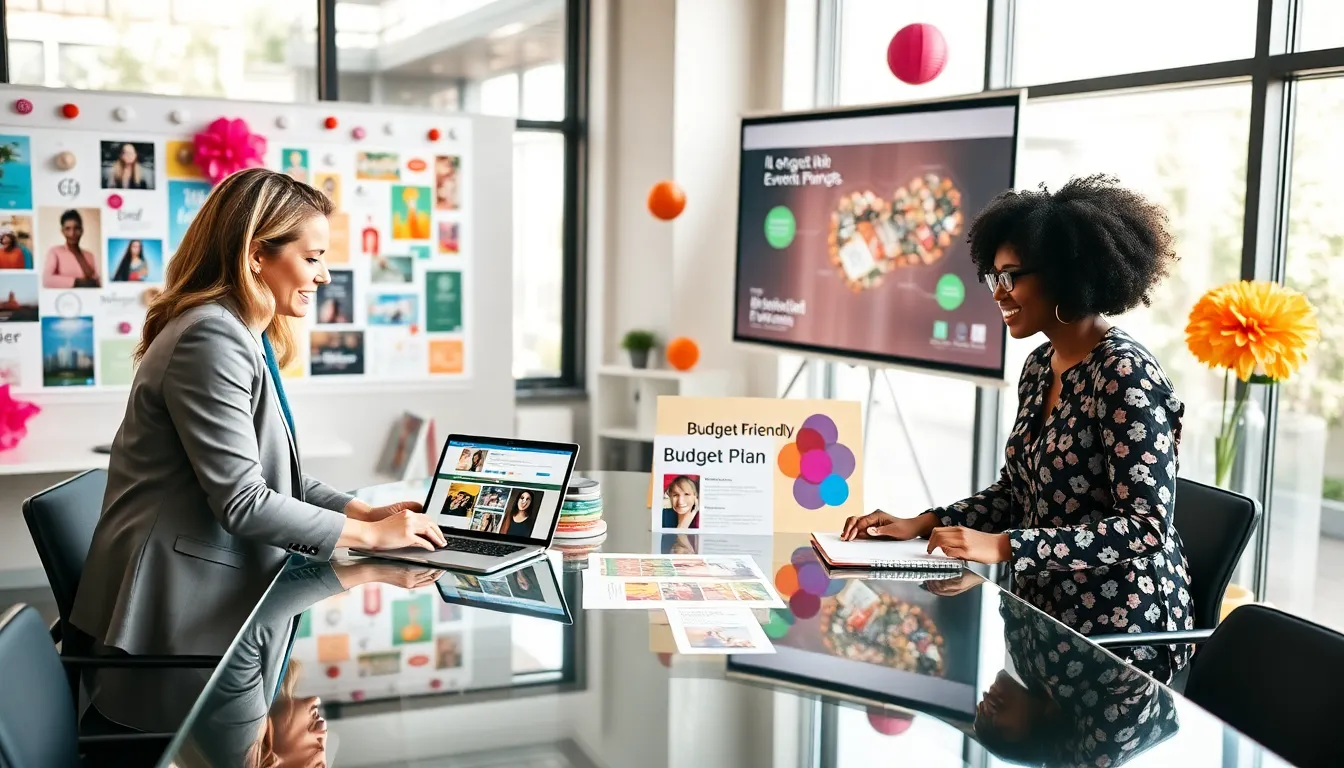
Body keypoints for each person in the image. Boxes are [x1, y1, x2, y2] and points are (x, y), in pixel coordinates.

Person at [70, 168, 447, 733]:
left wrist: (364, 513)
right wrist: (370, 541)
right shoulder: (211, 337)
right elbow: (243, 502)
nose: (323, 276)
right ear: (255, 256)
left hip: (211, 597)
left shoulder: (238, 331)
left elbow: (276, 478)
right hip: (182, 625)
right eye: (313, 256)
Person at [841, 174, 1194, 683]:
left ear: (1065, 274)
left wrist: (1005, 548)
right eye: (994, 277)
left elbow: (1146, 527)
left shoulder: (1124, 373)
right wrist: (926, 522)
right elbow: (1018, 491)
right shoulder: (1039, 365)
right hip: (1041, 615)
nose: (998, 292)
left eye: (1012, 276)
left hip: (1121, 637)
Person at [42, 209, 100, 288]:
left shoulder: (90, 255)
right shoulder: (55, 252)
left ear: (82, 230)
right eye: (68, 229)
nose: (72, 233)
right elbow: (46, 280)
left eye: (76, 228)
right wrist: (77, 282)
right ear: (62, 231)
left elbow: (96, 283)